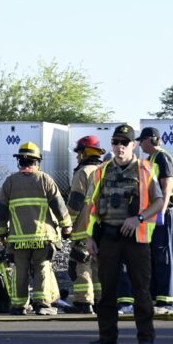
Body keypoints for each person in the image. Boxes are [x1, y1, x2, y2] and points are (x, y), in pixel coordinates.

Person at [85, 124, 164, 344]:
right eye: (115, 142)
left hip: (136, 239)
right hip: (108, 236)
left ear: (133, 145)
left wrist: (138, 218)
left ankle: (146, 338)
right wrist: (90, 237)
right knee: (107, 290)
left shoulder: (146, 169)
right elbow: (92, 206)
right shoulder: (101, 171)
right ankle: (107, 338)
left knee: (141, 289)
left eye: (124, 142)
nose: (119, 146)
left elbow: (159, 202)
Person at [0, 142, 72, 315]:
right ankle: (42, 305)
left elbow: (0, 211)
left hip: (18, 239)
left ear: (19, 161)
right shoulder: (45, 179)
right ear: (37, 161)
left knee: (20, 270)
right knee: (42, 268)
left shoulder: (10, 182)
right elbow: (59, 206)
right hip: (42, 238)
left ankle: (18, 306)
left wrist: (2, 233)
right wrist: (66, 226)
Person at [137, 127, 173, 315]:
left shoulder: (162, 157)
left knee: (164, 255)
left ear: (151, 140)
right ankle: (156, 298)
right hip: (154, 213)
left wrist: (161, 211)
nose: (140, 144)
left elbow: (166, 186)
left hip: (164, 212)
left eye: (142, 140)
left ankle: (166, 301)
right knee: (154, 255)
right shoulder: (151, 159)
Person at [64, 135, 106, 314]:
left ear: (84, 153)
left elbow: (75, 202)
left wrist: (66, 224)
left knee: (81, 264)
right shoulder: (106, 170)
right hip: (103, 228)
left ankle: (83, 302)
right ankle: (98, 301)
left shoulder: (83, 172)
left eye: (78, 153)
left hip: (84, 228)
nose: (76, 156)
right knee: (97, 266)